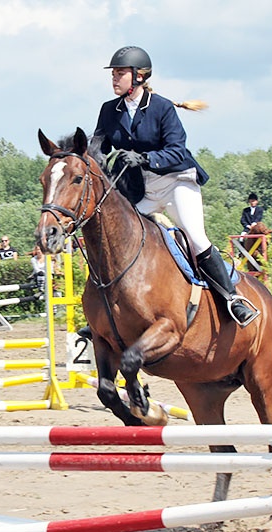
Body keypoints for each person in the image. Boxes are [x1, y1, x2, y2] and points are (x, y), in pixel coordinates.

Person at [93, 45, 258, 327]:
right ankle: (107, 311)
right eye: (114, 74)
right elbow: (97, 146)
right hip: (142, 189)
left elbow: (177, 151)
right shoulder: (110, 110)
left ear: (139, 77)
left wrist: (144, 158)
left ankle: (232, 299)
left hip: (176, 182)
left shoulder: (162, 108)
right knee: (119, 240)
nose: (114, 78)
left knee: (195, 238)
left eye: (120, 73)